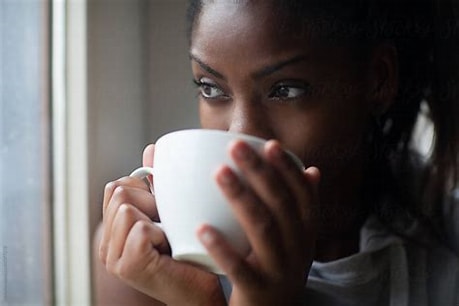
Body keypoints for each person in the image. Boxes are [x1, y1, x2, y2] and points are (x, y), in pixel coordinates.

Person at [94, 0, 459, 305]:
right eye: (210, 88)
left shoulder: (445, 247)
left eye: (285, 90)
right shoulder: (145, 263)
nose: (239, 137)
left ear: (377, 80)